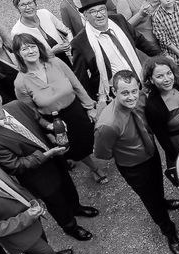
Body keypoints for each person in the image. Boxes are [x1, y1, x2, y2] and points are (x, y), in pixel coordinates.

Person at [0, 83, 96, 242]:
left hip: (55, 157)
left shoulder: (16, 105)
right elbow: (16, 166)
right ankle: (71, 227)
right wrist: (46, 154)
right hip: (37, 176)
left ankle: (76, 207)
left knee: (68, 186)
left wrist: (50, 126)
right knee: (56, 202)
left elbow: (36, 118)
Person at [94, 70, 179, 254]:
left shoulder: (141, 98)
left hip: (151, 155)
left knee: (158, 186)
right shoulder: (107, 124)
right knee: (150, 200)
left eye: (134, 91)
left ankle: (163, 202)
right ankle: (168, 231)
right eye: (125, 93)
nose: (131, 97)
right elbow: (103, 154)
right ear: (113, 92)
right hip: (134, 167)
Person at [12, 33, 107, 184]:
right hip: (55, 120)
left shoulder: (55, 62)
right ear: (18, 53)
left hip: (75, 109)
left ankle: (108, 154)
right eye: (24, 49)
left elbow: (76, 85)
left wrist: (90, 107)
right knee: (76, 148)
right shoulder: (20, 83)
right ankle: (94, 168)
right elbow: (32, 113)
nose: (30, 51)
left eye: (32, 46)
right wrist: (47, 130)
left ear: (38, 47)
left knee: (93, 136)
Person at [0, 155, 83, 254]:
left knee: (44, 243)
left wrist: (31, 201)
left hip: (30, 212)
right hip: (15, 231)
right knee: (44, 252)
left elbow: (10, 183)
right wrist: (27, 217)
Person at [71, 0, 161, 103]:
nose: (99, 15)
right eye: (93, 11)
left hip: (141, 83)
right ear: (85, 15)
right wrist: (91, 103)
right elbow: (81, 77)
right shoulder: (80, 42)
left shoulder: (119, 20)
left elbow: (140, 41)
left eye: (102, 9)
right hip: (117, 97)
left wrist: (161, 56)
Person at [143, 56, 179, 169]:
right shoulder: (152, 106)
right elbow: (162, 139)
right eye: (159, 76)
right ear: (151, 80)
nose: (167, 79)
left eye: (169, 73)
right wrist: (177, 160)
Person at [11, 0, 73, 67]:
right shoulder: (17, 31)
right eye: (23, 5)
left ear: (35, 3)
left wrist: (70, 45)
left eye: (30, 3)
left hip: (66, 61)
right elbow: (26, 58)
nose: (28, 7)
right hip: (46, 67)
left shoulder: (45, 13)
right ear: (18, 8)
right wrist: (52, 52)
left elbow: (66, 31)